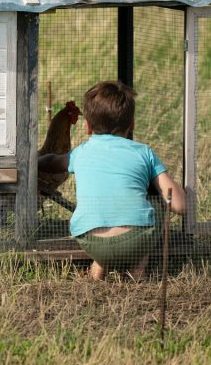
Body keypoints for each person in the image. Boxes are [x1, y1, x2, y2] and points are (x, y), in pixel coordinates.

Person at [38, 80, 185, 281]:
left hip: (91, 242)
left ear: (88, 126)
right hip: (136, 242)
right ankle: (138, 271)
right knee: (155, 198)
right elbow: (179, 205)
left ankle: (98, 267)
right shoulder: (144, 153)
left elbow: (53, 161)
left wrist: (33, 162)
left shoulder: (80, 153)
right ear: (131, 125)